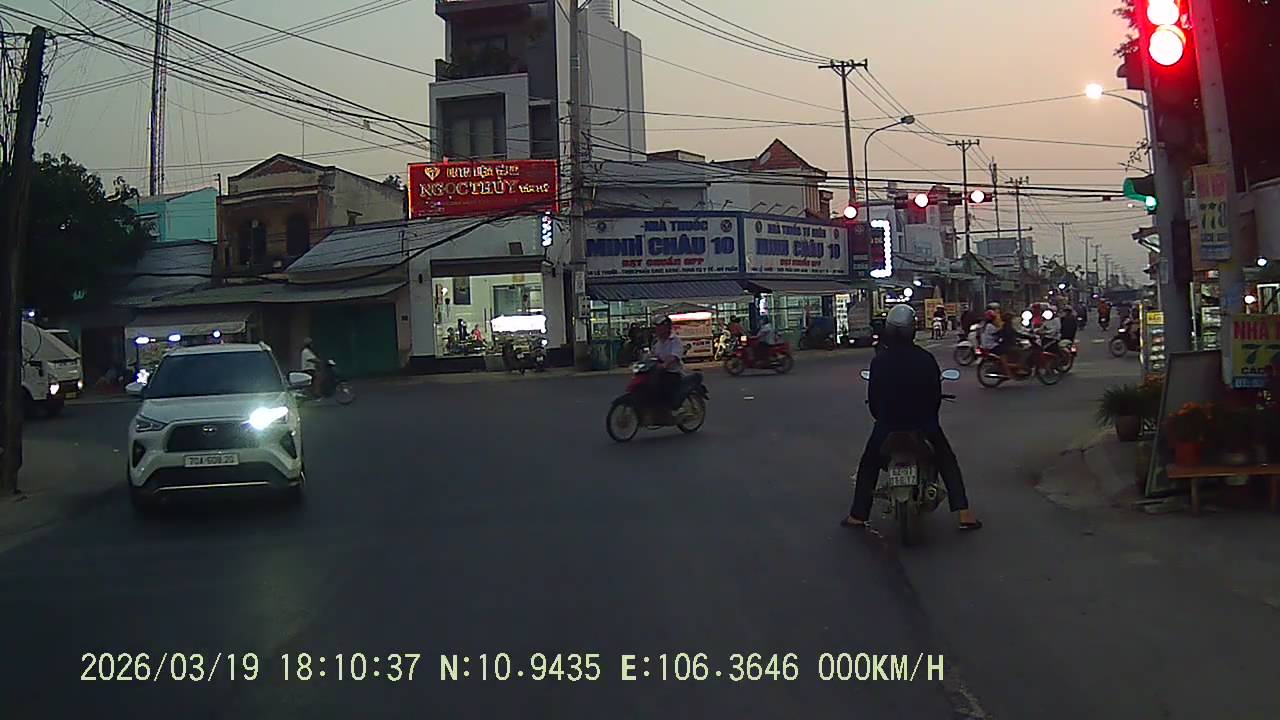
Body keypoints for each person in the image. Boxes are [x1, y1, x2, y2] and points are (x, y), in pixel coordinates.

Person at [842, 304, 981, 531]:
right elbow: (935, 397)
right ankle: (964, 513)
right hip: (923, 424)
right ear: (912, 330)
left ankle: (857, 515)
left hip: (888, 425)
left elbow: (874, 401)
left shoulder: (879, 361)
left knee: (869, 463)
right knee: (946, 459)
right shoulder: (925, 359)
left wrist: (884, 417)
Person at [648, 316, 686, 409]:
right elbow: (652, 355)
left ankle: (668, 409)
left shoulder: (675, 340)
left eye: (659, 326)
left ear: (667, 327)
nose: (657, 329)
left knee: (663, 387)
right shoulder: (656, 341)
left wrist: (665, 364)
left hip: (672, 372)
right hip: (658, 371)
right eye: (656, 326)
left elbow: (674, 356)